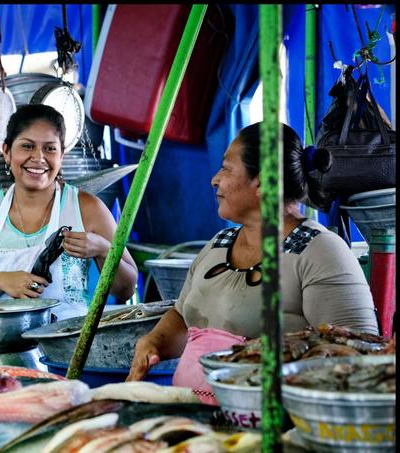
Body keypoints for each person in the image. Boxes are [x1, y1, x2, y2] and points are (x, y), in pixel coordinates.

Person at [126, 122, 379, 397]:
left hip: (273, 426)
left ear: (263, 182)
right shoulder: (219, 244)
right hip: (197, 421)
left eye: (226, 168)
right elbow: (183, 315)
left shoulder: (321, 251)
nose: (215, 179)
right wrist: (154, 341)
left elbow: (358, 357)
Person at [0, 104, 137, 320]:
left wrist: (104, 250)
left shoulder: (87, 208)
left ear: (62, 155)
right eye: (27, 146)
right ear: (7, 152)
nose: (38, 158)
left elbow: (126, 289)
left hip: (70, 344)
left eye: (50, 148)